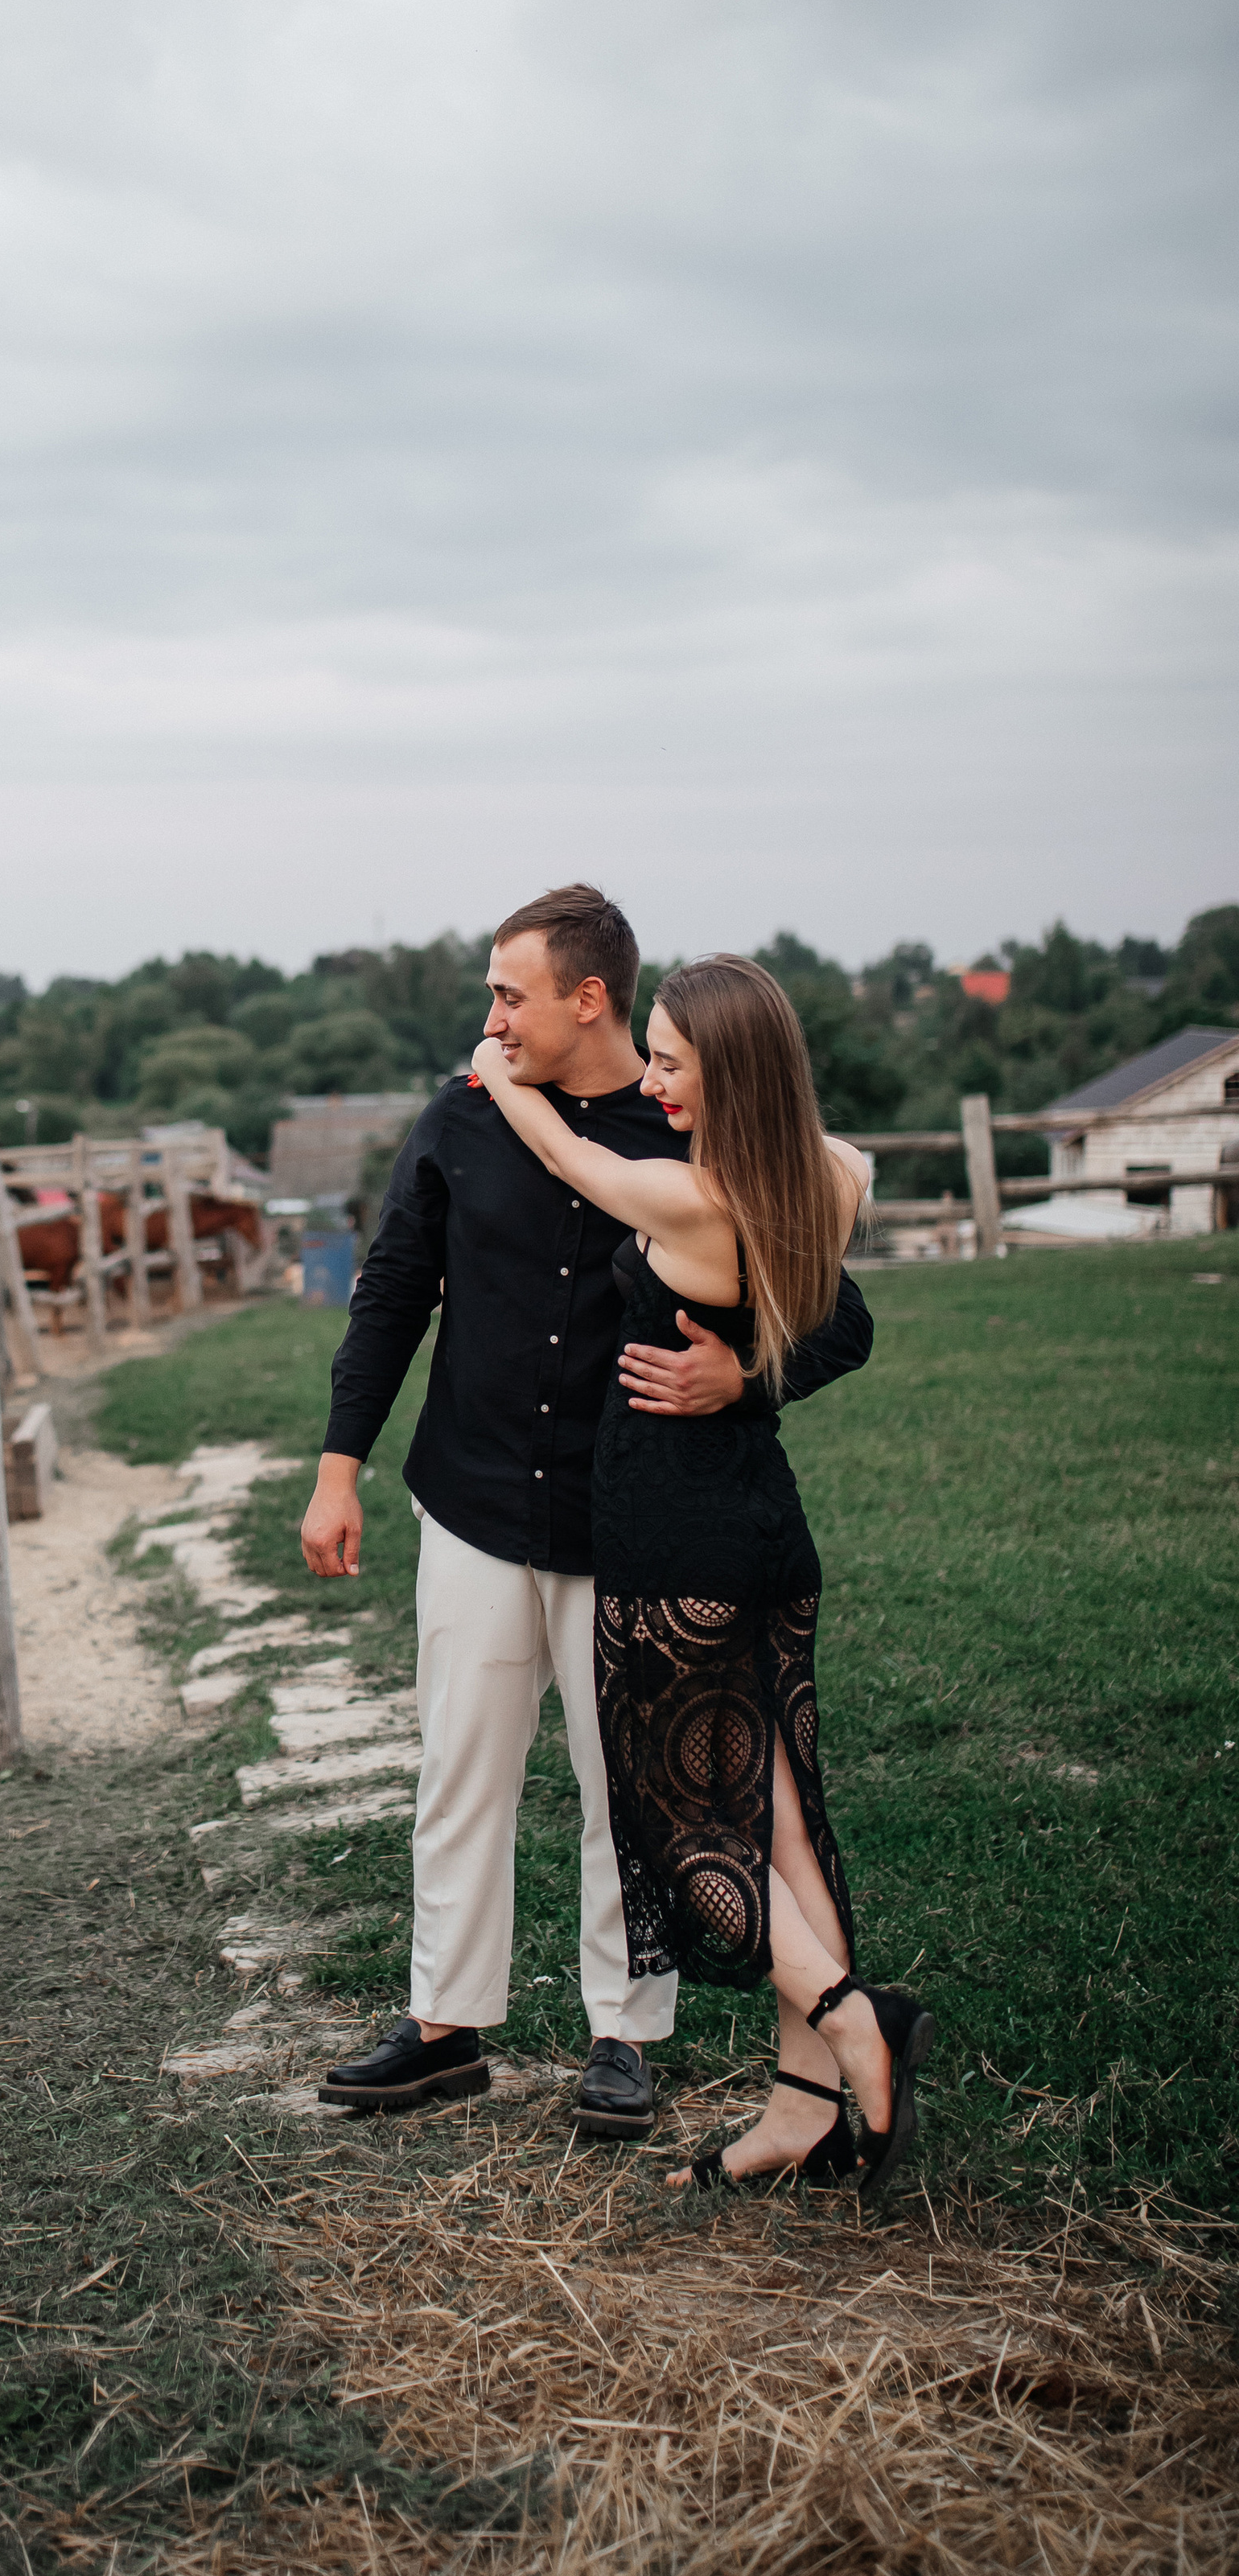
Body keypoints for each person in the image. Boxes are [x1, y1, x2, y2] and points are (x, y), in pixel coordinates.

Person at [302, 885, 873, 2139]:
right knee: (461, 1767)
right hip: (471, 1493)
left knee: (626, 1784)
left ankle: (626, 2038)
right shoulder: (459, 1120)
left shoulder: (694, 1122)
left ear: (589, 997)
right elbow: (395, 1287)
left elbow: (841, 1316)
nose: (492, 1019)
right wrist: (340, 1465)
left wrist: (744, 1375)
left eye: (510, 994)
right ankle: (445, 2026)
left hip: (631, 1517)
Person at [468, 953, 932, 2201]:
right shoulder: (832, 1176)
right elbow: (830, 1213)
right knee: (780, 1820)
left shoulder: (684, 1197)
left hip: (676, 1542)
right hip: (766, 1530)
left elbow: (573, 1161)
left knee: (682, 1832)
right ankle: (801, 2110)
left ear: (733, 1074)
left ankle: (849, 2021)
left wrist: (497, 1075)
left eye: (675, 1061)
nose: (658, 1079)